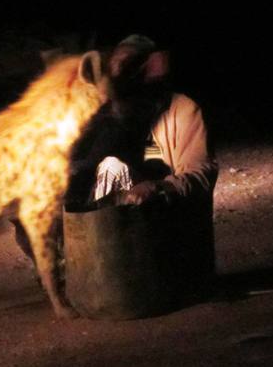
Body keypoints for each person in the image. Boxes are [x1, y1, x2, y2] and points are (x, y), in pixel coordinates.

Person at [65, 34, 219, 300]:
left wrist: (160, 188)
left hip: (168, 224)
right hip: (120, 222)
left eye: (127, 69)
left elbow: (201, 173)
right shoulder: (109, 115)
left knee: (111, 169)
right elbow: (82, 168)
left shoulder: (182, 110)